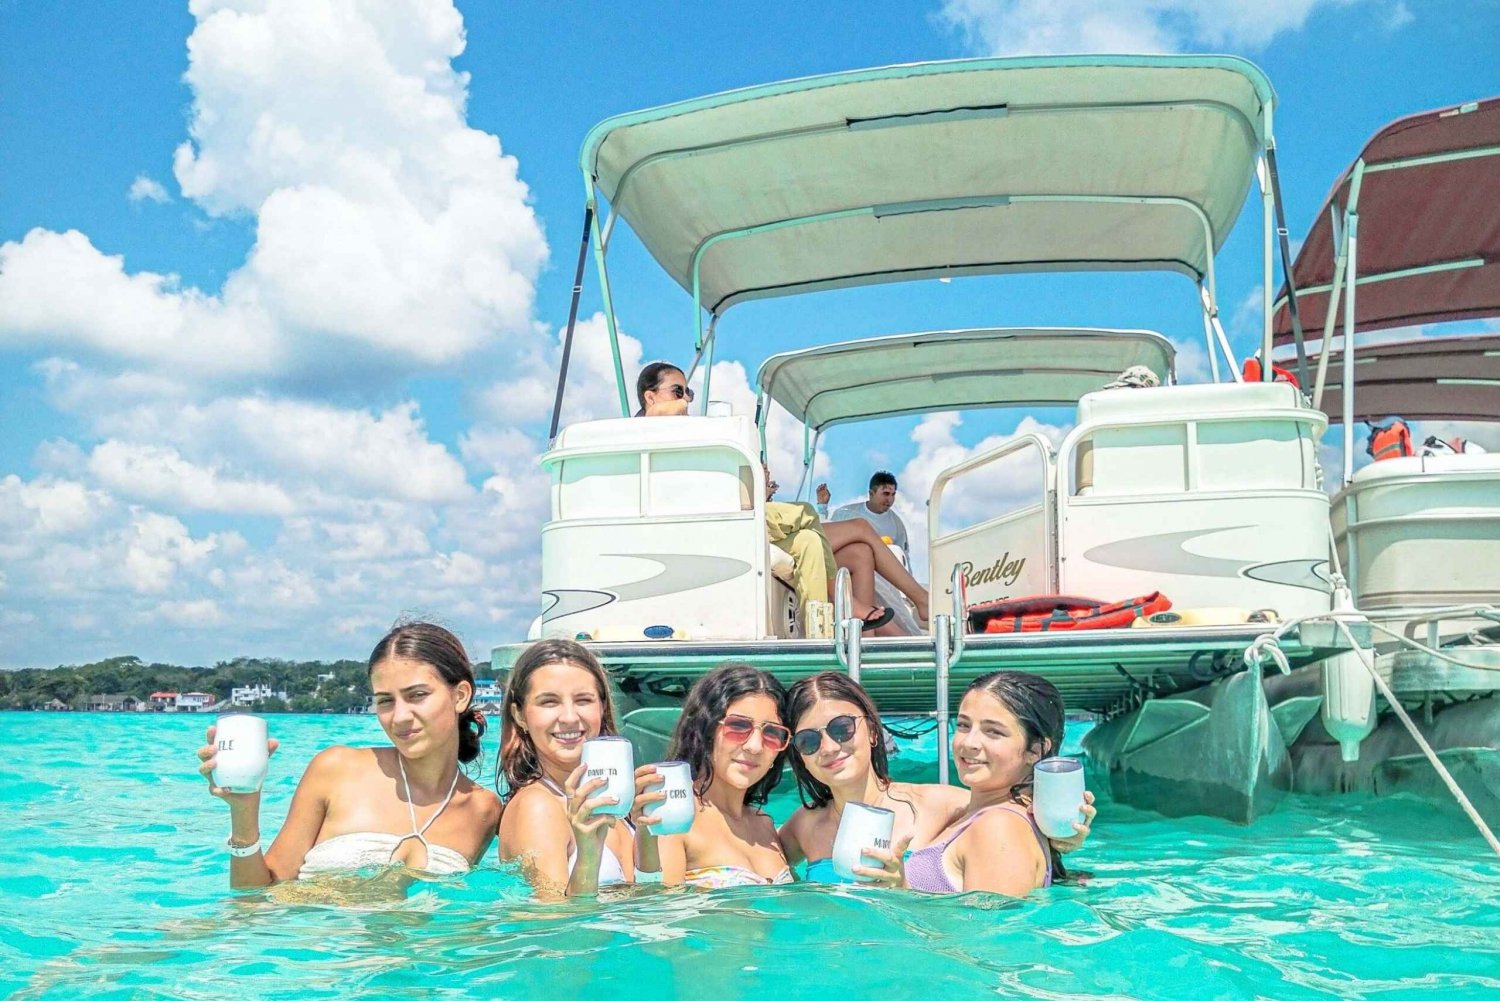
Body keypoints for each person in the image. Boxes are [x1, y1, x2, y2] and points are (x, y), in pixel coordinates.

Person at [195, 622, 502, 888]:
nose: (400, 717)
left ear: (460, 695)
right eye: (385, 701)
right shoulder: (336, 770)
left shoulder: (484, 810)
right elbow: (255, 901)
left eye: (417, 696)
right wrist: (244, 811)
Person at [779, 671, 1094, 886]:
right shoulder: (803, 825)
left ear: (873, 731)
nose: (829, 747)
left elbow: (990, 948)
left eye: (842, 728)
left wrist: (1062, 831)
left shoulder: (950, 809)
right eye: (808, 740)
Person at [496, 638, 643, 897]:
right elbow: (557, 930)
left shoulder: (616, 804)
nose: (569, 717)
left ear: (602, 707)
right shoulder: (539, 807)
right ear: (520, 716)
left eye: (583, 700)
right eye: (549, 702)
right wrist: (588, 856)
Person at [903, 671, 1072, 896]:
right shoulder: (979, 815)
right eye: (963, 725)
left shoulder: (999, 827)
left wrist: (898, 888)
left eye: (993, 731)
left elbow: (988, 929)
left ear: (1035, 750)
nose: (969, 742)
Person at [634, 663, 795, 888]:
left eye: (772, 733)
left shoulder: (764, 824)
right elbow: (656, 912)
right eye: (738, 726)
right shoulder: (674, 816)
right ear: (705, 729)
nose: (755, 746)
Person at [817, 471, 908, 562]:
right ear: (871, 494)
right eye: (886, 494)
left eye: (893, 494)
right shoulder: (845, 514)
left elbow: (903, 558)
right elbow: (825, 538)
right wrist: (822, 508)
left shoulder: (897, 524)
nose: (890, 499)